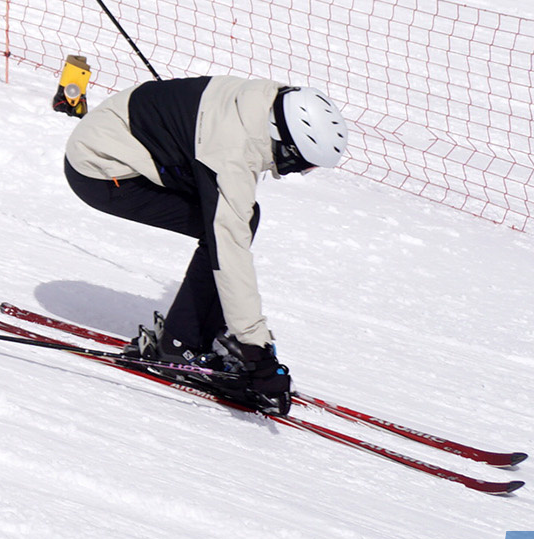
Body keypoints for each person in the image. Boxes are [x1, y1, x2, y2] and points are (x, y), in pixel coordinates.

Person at [62, 77, 349, 415]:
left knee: (237, 220)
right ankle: (179, 345)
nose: (301, 173)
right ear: (285, 147)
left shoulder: (264, 101)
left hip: (120, 135)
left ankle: (195, 329)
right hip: (100, 169)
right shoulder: (232, 156)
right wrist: (256, 350)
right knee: (225, 230)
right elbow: (230, 251)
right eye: (303, 165)